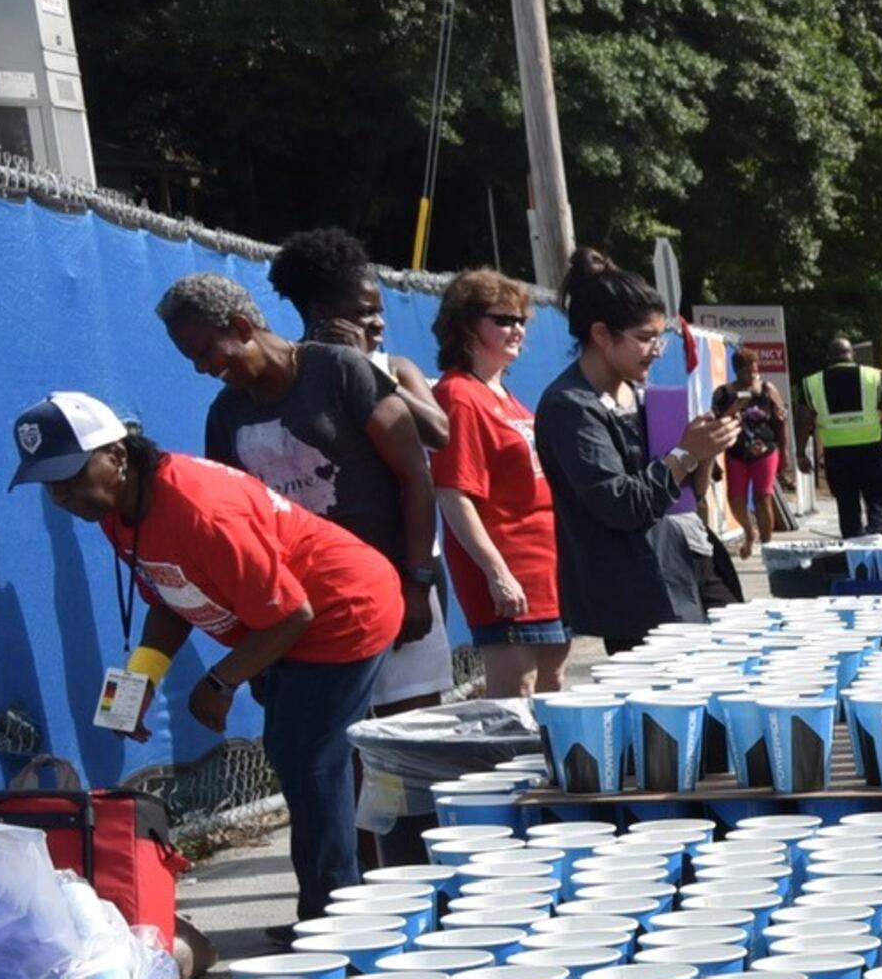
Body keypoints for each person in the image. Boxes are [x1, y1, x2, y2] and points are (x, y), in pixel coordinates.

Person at [14, 390, 397, 923]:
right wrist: (143, 677)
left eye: (70, 474)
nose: (60, 494)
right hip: (281, 625)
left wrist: (220, 681)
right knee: (300, 758)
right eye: (49, 482)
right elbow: (171, 598)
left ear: (117, 457)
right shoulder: (117, 508)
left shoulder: (199, 510)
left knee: (311, 761)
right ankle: (346, 905)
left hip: (342, 612)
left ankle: (337, 919)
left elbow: (293, 614)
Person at [160, 269, 443, 720]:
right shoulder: (225, 416)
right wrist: (258, 647)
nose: (202, 368)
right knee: (337, 754)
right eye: (191, 359)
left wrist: (417, 583)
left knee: (417, 744)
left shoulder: (338, 371)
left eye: (204, 351)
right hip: (312, 617)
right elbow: (236, 534)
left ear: (240, 327)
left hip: (395, 588)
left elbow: (415, 476)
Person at [265, 229, 458, 713]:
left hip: (408, 566)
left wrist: (371, 369)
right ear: (320, 315)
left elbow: (439, 431)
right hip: (332, 582)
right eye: (362, 312)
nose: (376, 323)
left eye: (379, 311)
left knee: (415, 719)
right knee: (347, 728)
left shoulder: (394, 366)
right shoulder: (297, 373)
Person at [536, 246, 732, 655]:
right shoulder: (570, 407)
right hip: (640, 595)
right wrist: (682, 454)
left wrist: (705, 449)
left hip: (688, 568)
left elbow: (683, 496)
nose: (656, 350)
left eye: (659, 337)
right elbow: (621, 503)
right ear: (602, 335)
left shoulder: (643, 395)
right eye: (644, 338)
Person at [426, 269, 566, 697]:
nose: (517, 329)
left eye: (522, 319)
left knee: (551, 684)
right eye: (503, 319)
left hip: (546, 564)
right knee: (515, 690)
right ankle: (516, 766)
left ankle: (552, 765)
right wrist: (497, 572)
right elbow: (454, 494)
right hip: (507, 563)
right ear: (468, 324)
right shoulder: (459, 396)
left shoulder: (504, 393)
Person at [803, 335, 882, 538]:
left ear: (829, 357)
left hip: (836, 450)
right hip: (869, 447)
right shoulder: (874, 376)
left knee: (846, 500)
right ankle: (875, 533)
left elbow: (803, 420)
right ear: (853, 354)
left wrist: (800, 453)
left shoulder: (812, 382)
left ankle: (853, 543)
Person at [725, 371, 789, 538]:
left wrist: (784, 452)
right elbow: (719, 422)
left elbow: (781, 421)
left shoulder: (767, 389)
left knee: (762, 496)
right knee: (736, 499)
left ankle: (767, 542)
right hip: (736, 453)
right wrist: (736, 406)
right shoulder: (726, 392)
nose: (750, 376)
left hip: (765, 451)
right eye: (745, 370)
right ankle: (748, 532)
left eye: (753, 371)